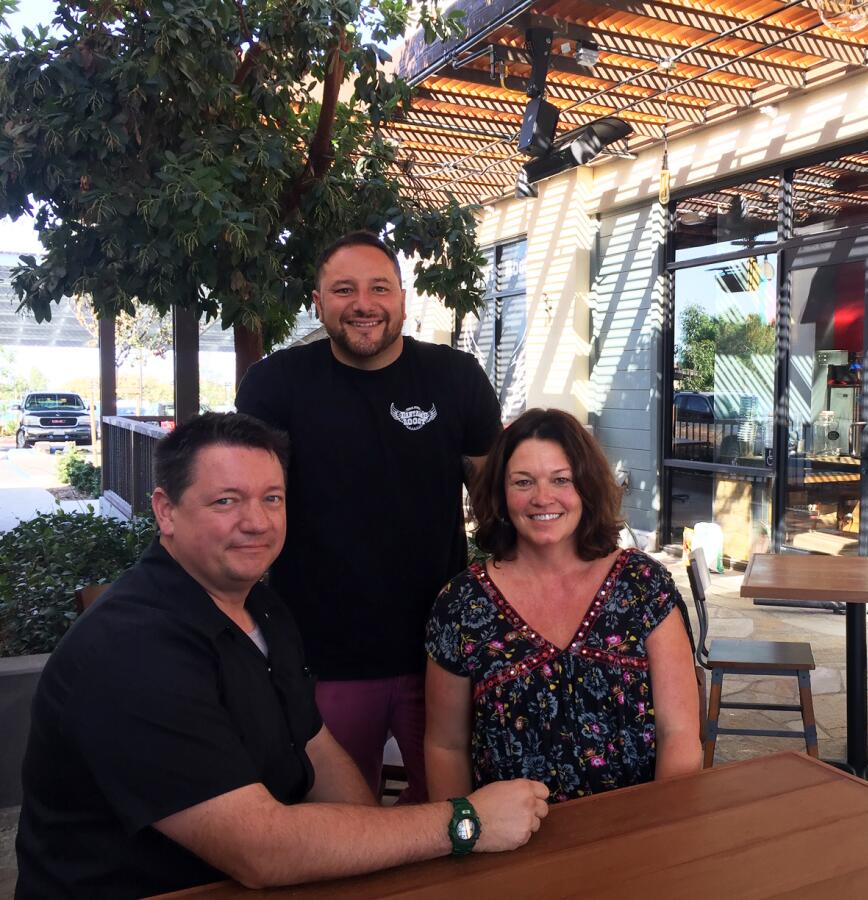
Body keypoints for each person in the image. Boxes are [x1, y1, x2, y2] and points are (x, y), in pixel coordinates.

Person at [15, 413, 548, 899]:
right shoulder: (130, 649)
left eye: (272, 498)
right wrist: (464, 823)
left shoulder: (261, 608)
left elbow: (314, 749)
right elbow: (260, 849)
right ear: (165, 511)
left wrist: (378, 867)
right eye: (226, 501)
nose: (257, 522)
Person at [235, 230, 502, 801]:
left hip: (442, 651)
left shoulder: (456, 379)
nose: (363, 303)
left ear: (403, 299)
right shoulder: (276, 384)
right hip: (324, 654)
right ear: (318, 300)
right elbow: (247, 498)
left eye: (380, 287)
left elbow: (497, 502)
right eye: (344, 289)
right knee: (337, 822)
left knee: (453, 813)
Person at [424, 408, 702, 803]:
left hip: (637, 841)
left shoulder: (642, 585)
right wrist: (463, 841)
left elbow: (678, 733)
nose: (542, 497)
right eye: (523, 482)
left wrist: (660, 834)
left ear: (586, 487)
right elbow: (445, 747)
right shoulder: (462, 604)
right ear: (501, 496)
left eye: (561, 479)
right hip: (512, 850)